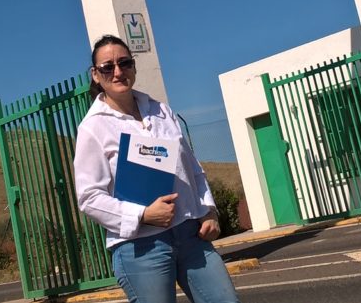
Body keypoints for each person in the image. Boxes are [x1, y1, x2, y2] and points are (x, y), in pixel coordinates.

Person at [73, 35, 239, 303]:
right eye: (107, 67)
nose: (118, 72)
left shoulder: (161, 111)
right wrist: (142, 214)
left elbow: (192, 168)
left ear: (133, 66)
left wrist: (209, 210)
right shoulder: (93, 128)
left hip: (190, 234)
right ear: (95, 74)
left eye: (124, 63)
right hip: (141, 246)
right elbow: (89, 197)